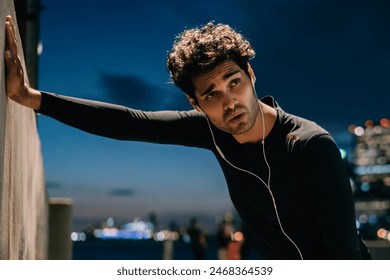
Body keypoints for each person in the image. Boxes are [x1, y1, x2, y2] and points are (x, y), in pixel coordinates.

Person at [4, 15, 371, 259]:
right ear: (194, 103)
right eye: (212, 94)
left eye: (234, 83)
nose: (230, 103)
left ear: (251, 76)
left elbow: (345, 256)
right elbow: (132, 122)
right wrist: (31, 98)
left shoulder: (310, 146)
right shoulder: (212, 131)